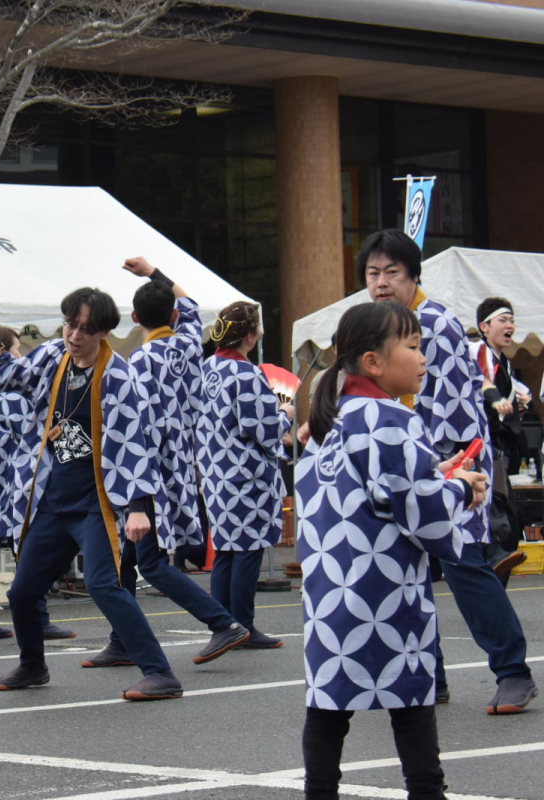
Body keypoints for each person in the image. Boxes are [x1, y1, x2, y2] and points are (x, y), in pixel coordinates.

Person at [0, 287, 183, 701]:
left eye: (86, 329)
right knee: (22, 589)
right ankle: (33, 665)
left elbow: (133, 442)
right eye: (71, 324)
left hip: (97, 502)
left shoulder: (118, 376)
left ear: (104, 332)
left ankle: (160, 673)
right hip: (54, 497)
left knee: (103, 584)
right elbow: (13, 376)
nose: (74, 336)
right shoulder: (54, 355)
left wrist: (140, 508)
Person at [296, 300, 488, 800]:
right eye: (413, 346)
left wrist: (434, 475)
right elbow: (420, 511)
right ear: (373, 362)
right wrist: (462, 489)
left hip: (330, 591)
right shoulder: (392, 420)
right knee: (411, 701)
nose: (422, 357)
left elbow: (378, 494)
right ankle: (428, 793)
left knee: (329, 705)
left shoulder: (328, 422)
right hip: (384, 590)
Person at [362, 229, 536, 714]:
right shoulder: (379, 325)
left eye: (391, 272)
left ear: (413, 275)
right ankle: (428, 675)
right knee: (405, 571)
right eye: (373, 273)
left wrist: (454, 472)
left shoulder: (434, 321)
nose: (380, 283)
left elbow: (459, 407)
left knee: (465, 568)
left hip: (451, 460)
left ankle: (513, 672)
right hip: (404, 462)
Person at [82, 258, 249, 670]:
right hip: (181, 460)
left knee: (149, 560)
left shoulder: (136, 363)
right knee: (128, 556)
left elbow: (130, 422)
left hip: (146, 467)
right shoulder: (191, 341)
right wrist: (152, 272)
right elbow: (190, 305)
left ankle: (221, 621)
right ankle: (121, 638)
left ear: (134, 318)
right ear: (172, 316)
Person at [0, 325, 74, 641]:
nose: (21, 355)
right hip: (9, 481)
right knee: (29, 548)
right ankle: (39, 618)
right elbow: (31, 426)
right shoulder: (8, 391)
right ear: (2, 352)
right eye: (17, 347)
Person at [196, 301, 293, 650]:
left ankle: (223, 623)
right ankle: (244, 626)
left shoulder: (207, 368)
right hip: (245, 476)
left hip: (215, 471)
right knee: (248, 549)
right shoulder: (246, 374)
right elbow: (264, 430)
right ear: (249, 337)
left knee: (225, 549)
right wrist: (285, 414)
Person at [470, 298, 531, 577]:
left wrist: (515, 403)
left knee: (506, 515)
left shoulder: (502, 360)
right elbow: (482, 383)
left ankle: (497, 562)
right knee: (499, 516)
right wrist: (496, 401)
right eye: (503, 320)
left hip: (499, 449)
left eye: (511, 320)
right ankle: (494, 556)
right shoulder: (478, 351)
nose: (510, 326)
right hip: (485, 448)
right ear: (484, 326)